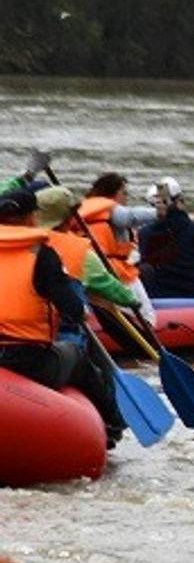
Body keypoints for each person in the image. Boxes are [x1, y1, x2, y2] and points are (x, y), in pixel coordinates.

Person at [0, 188, 125, 447]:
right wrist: (82, 307)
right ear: (32, 218)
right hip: (28, 360)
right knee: (78, 357)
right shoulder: (41, 254)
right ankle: (112, 425)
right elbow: (72, 309)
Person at [35, 186, 144, 331]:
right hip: (62, 332)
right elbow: (105, 284)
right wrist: (131, 300)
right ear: (68, 220)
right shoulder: (79, 251)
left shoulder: (18, 243)